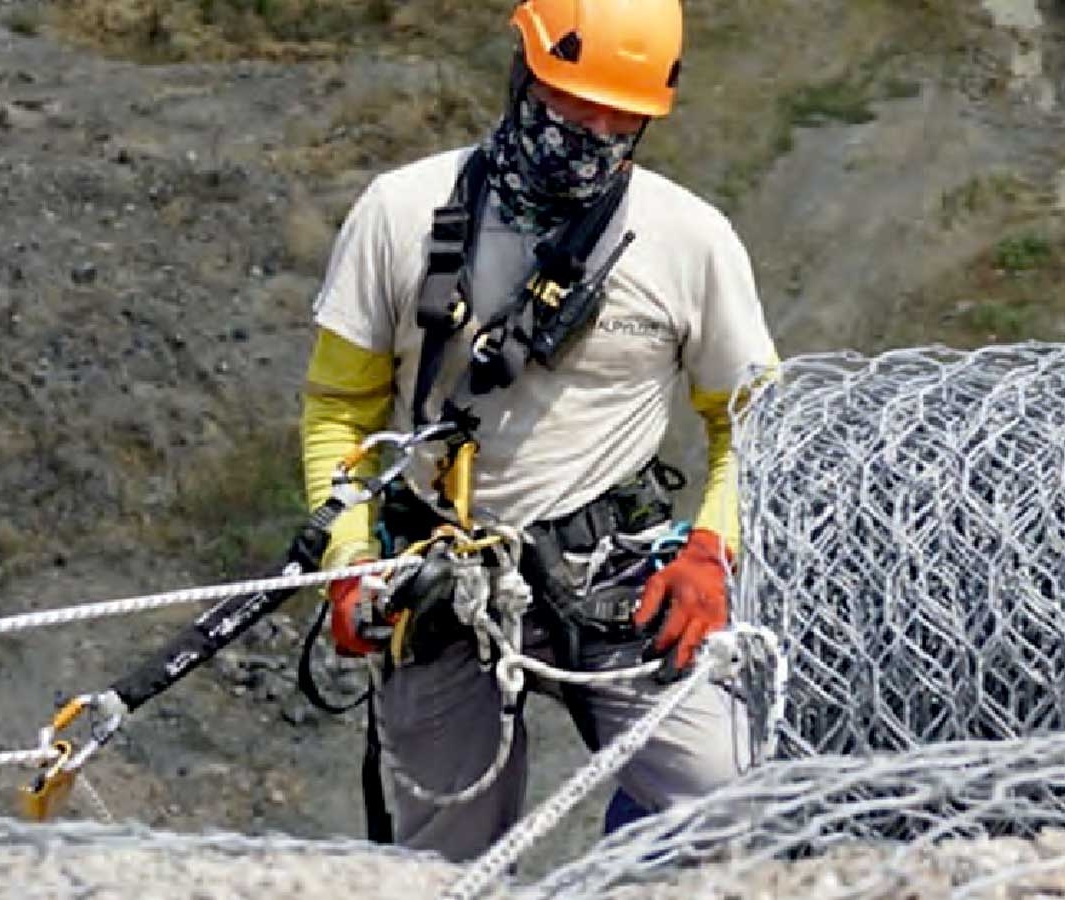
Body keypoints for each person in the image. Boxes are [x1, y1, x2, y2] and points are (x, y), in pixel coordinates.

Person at [299, 0, 778, 862]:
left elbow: (753, 423)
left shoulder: (690, 241)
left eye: (619, 118)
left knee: (730, 813)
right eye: (570, 104)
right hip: (439, 579)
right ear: (523, 72)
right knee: (445, 865)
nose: (591, 134)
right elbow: (340, 409)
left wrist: (712, 551)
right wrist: (351, 561)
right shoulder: (399, 214)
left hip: (612, 574)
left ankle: (636, 856)